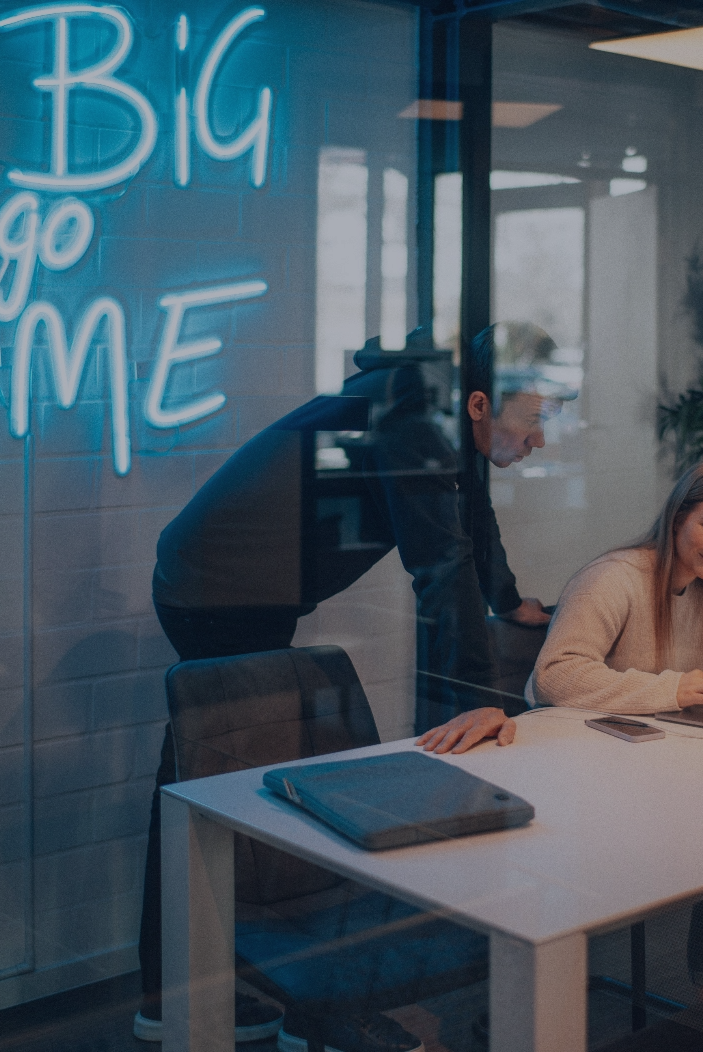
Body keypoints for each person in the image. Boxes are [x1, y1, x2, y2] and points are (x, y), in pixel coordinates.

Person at [135, 323, 562, 1045]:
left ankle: (228, 993)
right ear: (482, 405)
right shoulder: (414, 416)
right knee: (216, 789)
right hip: (218, 589)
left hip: (235, 585)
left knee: (221, 785)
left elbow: (467, 519)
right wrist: (482, 699)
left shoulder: (429, 410)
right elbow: (438, 563)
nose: (540, 438)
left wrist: (508, 602)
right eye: (535, 419)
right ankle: (211, 998)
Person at [419, 459, 703, 999]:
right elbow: (556, 677)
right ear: (677, 518)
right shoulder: (616, 578)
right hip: (588, 781)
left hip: (654, 769)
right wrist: (670, 690)